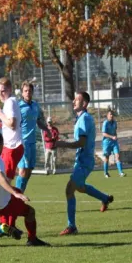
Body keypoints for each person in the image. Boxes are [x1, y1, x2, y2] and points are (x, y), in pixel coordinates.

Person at [55, 92, 114, 236]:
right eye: (74, 98)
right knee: (79, 188)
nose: (73, 101)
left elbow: (81, 142)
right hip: (82, 161)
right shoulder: (82, 118)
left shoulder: (84, 119)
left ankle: (72, 226)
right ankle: (105, 198)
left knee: (69, 190)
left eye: (77, 99)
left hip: (84, 162)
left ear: (85, 104)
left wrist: (63, 144)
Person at [0, 132, 50, 246]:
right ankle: (32, 239)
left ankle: (9, 226)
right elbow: (0, 178)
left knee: (18, 192)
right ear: (2, 145)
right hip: (0, 205)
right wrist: (14, 193)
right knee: (30, 212)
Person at [16, 80, 50, 193]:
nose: (27, 93)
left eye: (29, 91)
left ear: (32, 92)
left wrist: (46, 129)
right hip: (22, 142)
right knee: (22, 170)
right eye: (25, 91)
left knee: (30, 170)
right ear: (22, 93)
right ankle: (16, 197)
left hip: (32, 142)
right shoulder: (18, 106)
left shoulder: (35, 105)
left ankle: (21, 193)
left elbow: (38, 121)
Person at [0, 77, 23, 182]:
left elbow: (12, 125)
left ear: (10, 89)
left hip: (12, 147)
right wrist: (1, 125)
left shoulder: (9, 102)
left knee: (5, 183)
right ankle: (14, 197)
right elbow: (12, 124)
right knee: (2, 181)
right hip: (10, 146)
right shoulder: (9, 102)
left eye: (3, 91)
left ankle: (17, 198)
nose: (0, 94)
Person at [102, 110, 126, 178]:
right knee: (107, 158)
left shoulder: (115, 123)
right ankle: (106, 173)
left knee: (117, 156)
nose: (111, 116)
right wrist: (112, 137)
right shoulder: (105, 123)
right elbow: (104, 134)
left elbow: (115, 132)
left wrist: (115, 137)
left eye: (112, 114)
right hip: (107, 142)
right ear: (107, 116)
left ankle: (121, 172)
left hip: (114, 142)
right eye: (110, 114)